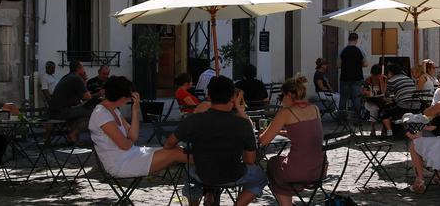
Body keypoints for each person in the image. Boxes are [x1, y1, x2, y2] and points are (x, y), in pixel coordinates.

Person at [166, 76, 267, 206]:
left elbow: (169, 143)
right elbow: (249, 160)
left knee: (190, 169)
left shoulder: (194, 120)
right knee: (260, 177)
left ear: (208, 95)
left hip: (201, 172)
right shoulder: (243, 124)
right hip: (233, 174)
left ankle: (195, 201)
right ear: (232, 97)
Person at [89, 76, 187, 179]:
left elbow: (133, 137)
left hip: (132, 154)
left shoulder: (114, 110)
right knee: (176, 153)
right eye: (129, 97)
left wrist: (135, 109)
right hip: (121, 164)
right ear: (122, 98)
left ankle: (203, 174)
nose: (129, 100)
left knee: (178, 150)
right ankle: (204, 176)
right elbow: (125, 145)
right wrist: (129, 141)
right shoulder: (101, 114)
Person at [260, 77, 324, 206]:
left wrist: (265, 130)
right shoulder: (315, 109)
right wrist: (279, 132)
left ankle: (287, 204)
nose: (281, 99)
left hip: (299, 171)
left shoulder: (286, 112)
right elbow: (304, 134)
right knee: (281, 164)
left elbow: (263, 140)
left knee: (272, 164)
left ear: (288, 95)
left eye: (281, 96)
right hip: (320, 169)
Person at [50, 60, 93, 143]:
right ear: (79, 69)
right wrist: (84, 80)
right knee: (94, 113)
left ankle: (72, 134)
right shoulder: (76, 78)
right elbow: (87, 97)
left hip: (54, 111)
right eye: (83, 67)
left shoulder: (66, 77)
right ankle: (73, 134)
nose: (84, 70)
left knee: (83, 113)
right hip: (62, 112)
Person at [379, 63, 416, 137]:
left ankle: (389, 132)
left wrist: (382, 81)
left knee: (383, 112)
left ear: (390, 72)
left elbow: (385, 94)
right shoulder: (408, 78)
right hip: (416, 107)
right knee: (392, 109)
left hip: (404, 107)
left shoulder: (392, 80)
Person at [338, 32, 368, 114]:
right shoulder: (360, 51)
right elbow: (365, 64)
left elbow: (338, 65)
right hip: (357, 78)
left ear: (348, 39)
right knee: (356, 98)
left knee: (343, 98)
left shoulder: (342, 50)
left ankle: (342, 118)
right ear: (356, 40)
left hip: (344, 78)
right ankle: (357, 117)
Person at [362, 64, 387, 136]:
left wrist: (381, 81)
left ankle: (384, 129)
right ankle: (373, 128)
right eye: (373, 75)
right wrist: (368, 92)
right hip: (370, 101)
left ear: (380, 74)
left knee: (385, 109)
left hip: (381, 101)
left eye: (377, 75)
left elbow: (384, 92)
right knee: (374, 108)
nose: (375, 77)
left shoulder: (384, 79)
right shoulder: (368, 79)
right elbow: (363, 91)